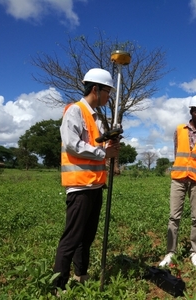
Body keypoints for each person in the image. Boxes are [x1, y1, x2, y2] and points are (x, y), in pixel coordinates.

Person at [53, 68, 120, 291]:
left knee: (87, 236)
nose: (108, 97)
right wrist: (103, 153)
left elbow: (96, 144)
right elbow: (73, 144)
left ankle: (80, 275)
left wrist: (110, 143)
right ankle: (58, 285)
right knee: (72, 238)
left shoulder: (97, 116)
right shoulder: (75, 111)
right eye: (107, 92)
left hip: (96, 184)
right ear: (95, 89)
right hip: (80, 186)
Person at [159, 95, 196, 268]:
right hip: (179, 178)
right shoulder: (179, 129)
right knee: (174, 217)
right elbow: (176, 152)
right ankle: (170, 252)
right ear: (191, 111)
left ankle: (195, 252)